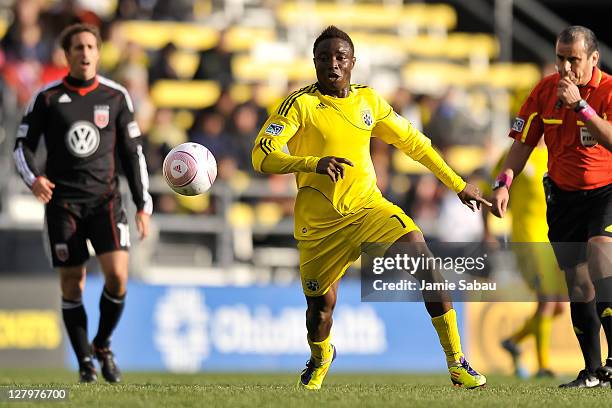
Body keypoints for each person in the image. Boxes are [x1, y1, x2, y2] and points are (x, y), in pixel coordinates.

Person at [252, 26, 490, 390]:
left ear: (352, 63)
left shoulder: (369, 102)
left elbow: (414, 142)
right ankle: (320, 358)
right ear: (314, 63)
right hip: (320, 227)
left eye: (340, 58)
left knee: (424, 260)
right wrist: (311, 163)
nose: (332, 64)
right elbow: (262, 155)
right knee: (320, 311)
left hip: (368, 210)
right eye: (324, 58)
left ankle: (456, 362)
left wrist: (457, 184)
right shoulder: (299, 105)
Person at [13, 23, 152, 383]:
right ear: (67, 55)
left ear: (99, 52)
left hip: (105, 201)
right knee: (73, 282)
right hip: (63, 205)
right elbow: (22, 147)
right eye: (78, 48)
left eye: (91, 46)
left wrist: (142, 203)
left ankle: (102, 343)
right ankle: (85, 362)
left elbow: (133, 153)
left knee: (118, 277)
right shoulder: (46, 98)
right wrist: (34, 179)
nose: (86, 53)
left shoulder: (116, 96)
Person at [491, 26, 612, 388]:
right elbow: (522, 143)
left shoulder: (607, 90)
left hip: (605, 191)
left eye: (573, 59)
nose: (565, 67)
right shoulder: (544, 92)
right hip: (562, 197)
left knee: (602, 258)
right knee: (577, 285)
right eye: (560, 57)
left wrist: (581, 105)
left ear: (593, 58)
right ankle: (592, 371)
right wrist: (504, 182)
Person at [483, 140, 565, 378]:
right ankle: (543, 366)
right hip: (527, 235)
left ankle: (513, 340)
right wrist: (487, 230)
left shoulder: (554, 151)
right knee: (548, 299)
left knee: (559, 305)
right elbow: (492, 189)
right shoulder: (516, 154)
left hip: (553, 235)